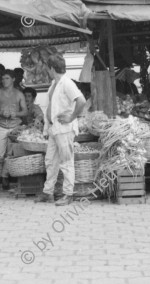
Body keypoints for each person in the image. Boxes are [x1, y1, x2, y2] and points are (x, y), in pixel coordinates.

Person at [36, 54, 86, 206]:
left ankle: (68, 194)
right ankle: (48, 192)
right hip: (54, 128)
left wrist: (71, 117)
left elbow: (81, 100)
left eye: (47, 67)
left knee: (66, 162)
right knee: (51, 161)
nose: (46, 70)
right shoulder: (55, 83)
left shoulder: (67, 83)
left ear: (51, 68)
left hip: (64, 129)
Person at [0, 70, 27, 190]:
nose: (4, 81)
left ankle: (5, 177)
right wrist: (1, 113)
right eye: (3, 78)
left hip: (15, 126)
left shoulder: (19, 94)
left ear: (13, 79)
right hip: (1, 126)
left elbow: (25, 111)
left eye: (7, 78)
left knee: (9, 154)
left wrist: (15, 113)